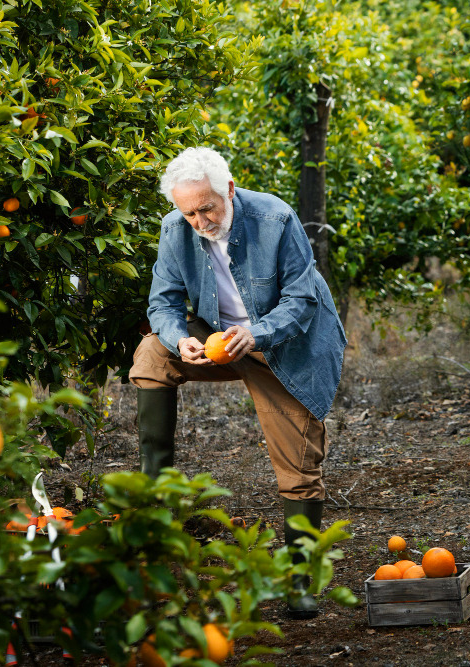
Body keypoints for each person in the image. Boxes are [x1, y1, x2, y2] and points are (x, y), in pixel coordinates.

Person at [129, 146, 346, 619]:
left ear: (228, 189)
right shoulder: (176, 229)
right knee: (151, 353)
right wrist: (180, 337)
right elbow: (162, 304)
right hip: (218, 339)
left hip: (284, 346)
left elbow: (302, 298)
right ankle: (155, 491)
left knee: (298, 466)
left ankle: (299, 579)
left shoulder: (274, 218)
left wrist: (258, 333)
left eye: (207, 208)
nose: (200, 221)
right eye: (189, 212)